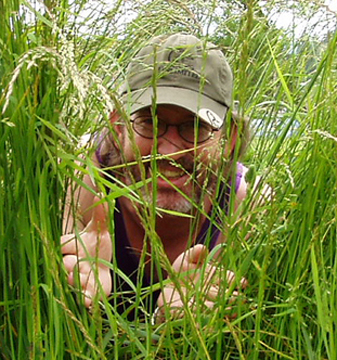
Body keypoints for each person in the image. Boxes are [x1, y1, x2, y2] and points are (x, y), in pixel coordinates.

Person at [61, 33, 256, 322]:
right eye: (150, 122)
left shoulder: (244, 206)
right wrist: (81, 301)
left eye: (195, 127)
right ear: (119, 128)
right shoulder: (87, 178)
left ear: (229, 139)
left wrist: (174, 326)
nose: (169, 151)